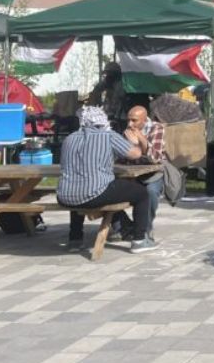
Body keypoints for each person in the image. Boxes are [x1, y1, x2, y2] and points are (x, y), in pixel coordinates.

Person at [57, 106, 157, 253]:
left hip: (64, 196)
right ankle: (139, 240)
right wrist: (134, 142)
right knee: (141, 193)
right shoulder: (108, 135)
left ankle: (75, 240)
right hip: (95, 194)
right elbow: (135, 154)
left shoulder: (69, 138)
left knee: (78, 188)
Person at [112, 105, 165, 240]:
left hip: (152, 174)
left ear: (144, 120)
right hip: (132, 174)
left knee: (150, 192)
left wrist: (140, 140)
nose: (130, 124)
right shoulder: (127, 131)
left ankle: (145, 229)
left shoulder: (157, 128)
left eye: (134, 120)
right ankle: (123, 226)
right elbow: (120, 156)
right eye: (128, 120)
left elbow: (155, 158)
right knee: (107, 188)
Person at [89, 62, 127, 129]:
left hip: (120, 116)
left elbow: (119, 99)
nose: (108, 75)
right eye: (107, 73)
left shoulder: (121, 84)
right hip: (109, 114)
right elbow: (96, 91)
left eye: (110, 73)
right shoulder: (107, 81)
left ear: (115, 73)